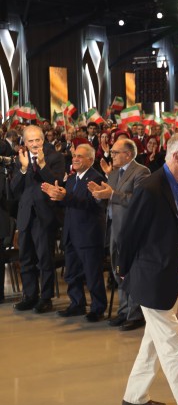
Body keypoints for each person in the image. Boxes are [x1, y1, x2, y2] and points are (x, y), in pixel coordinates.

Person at [115, 132, 178, 405]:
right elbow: (129, 234)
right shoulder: (151, 187)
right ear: (177, 156)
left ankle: (134, 396)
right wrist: (123, 270)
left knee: (154, 341)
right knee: (172, 341)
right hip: (152, 278)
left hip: (168, 275)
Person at [88, 138, 150, 331]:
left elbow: (140, 201)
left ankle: (135, 314)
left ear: (128, 154)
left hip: (131, 230)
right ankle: (123, 311)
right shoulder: (114, 173)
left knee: (130, 271)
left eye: (115, 152)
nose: (111, 155)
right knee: (118, 271)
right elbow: (109, 199)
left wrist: (112, 195)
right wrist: (100, 195)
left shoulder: (141, 172)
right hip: (114, 227)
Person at [41, 144, 108, 321]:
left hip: (89, 234)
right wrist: (56, 197)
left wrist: (66, 197)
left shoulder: (96, 178)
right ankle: (77, 304)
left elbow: (91, 204)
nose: (75, 159)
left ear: (90, 160)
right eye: (74, 155)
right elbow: (67, 203)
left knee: (92, 274)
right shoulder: (71, 179)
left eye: (80, 156)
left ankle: (97, 308)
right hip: (71, 233)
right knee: (72, 273)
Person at [11, 125, 65, 313]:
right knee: (25, 258)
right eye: (30, 141)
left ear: (43, 140)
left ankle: (46, 297)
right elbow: (14, 190)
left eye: (38, 140)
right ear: (24, 143)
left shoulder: (55, 157)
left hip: (45, 216)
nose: (35, 144)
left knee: (45, 259)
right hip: (25, 215)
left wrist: (42, 165)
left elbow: (56, 183)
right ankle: (30, 295)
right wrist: (24, 168)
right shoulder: (21, 160)